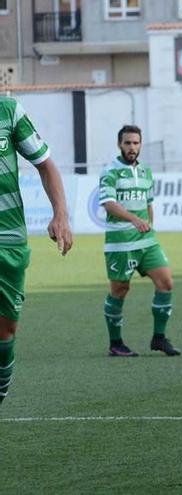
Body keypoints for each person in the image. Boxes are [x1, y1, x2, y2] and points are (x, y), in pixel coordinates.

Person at [0, 96, 73, 406]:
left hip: (8, 239)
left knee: (6, 330)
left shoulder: (8, 110)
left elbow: (46, 165)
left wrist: (60, 214)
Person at [99, 125, 179, 357]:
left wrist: (149, 225)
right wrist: (134, 219)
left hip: (147, 241)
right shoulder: (110, 171)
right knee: (120, 289)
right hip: (121, 243)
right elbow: (109, 203)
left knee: (166, 283)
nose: (132, 147)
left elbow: (148, 203)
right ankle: (115, 343)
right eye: (127, 143)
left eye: (135, 143)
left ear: (140, 144)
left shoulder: (146, 172)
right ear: (119, 145)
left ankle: (159, 338)